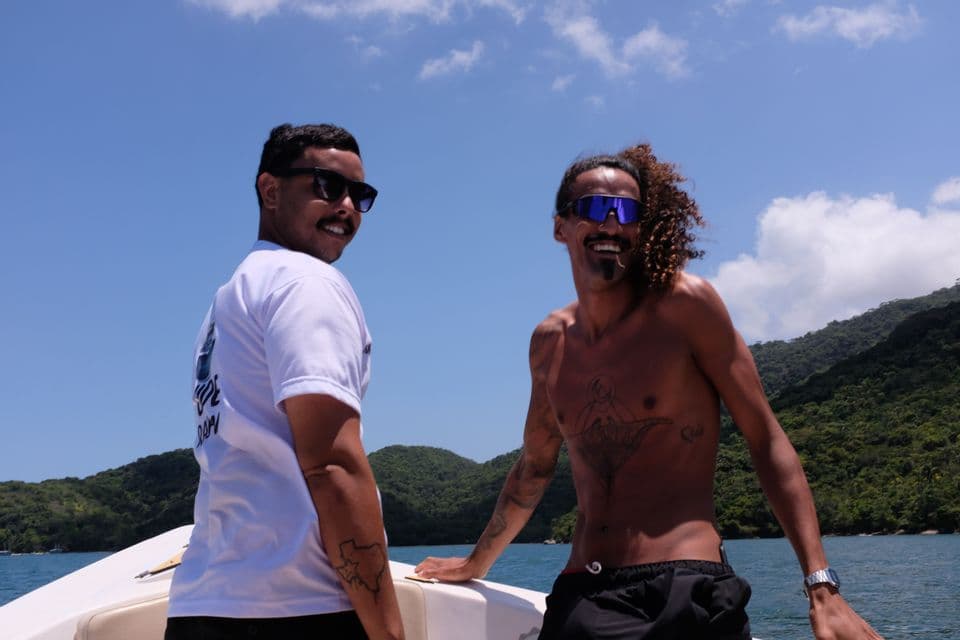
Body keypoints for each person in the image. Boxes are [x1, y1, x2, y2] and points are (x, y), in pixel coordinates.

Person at [415, 144, 882, 639]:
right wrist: (476, 561)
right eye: (596, 207)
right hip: (585, 592)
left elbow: (765, 438)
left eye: (629, 211)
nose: (613, 223)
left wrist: (822, 586)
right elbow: (534, 465)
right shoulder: (549, 343)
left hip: (685, 590)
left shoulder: (685, 307)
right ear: (561, 226)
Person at [166, 123, 404, 640]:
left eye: (359, 195)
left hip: (204, 606)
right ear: (270, 190)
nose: (346, 206)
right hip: (299, 606)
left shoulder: (227, 301)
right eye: (326, 185)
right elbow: (332, 466)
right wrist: (389, 633)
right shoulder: (305, 282)